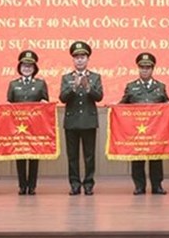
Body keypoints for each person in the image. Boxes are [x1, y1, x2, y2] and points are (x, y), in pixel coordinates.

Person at [119, 52, 169, 195]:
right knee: (138, 157)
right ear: (138, 68)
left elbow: (166, 103)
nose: (144, 70)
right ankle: (139, 186)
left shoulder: (160, 86)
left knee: (156, 157)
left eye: (147, 67)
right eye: (142, 67)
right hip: (137, 131)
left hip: (156, 131)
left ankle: (157, 185)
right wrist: (115, 107)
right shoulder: (131, 87)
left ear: (153, 69)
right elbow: (123, 105)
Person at [59, 41, 103, 196]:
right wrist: (73, 87)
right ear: (73, 59)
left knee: (89, 156)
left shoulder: (95, 77)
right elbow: (63, 98)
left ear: (87, 59)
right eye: (76, 57)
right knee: (72, 156)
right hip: (71, 122)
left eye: (82, 57)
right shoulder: (66, 78)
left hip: (88, 121)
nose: (79, 60)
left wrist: (88, 87)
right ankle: (75, 184)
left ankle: (89, 184)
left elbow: (99, 97)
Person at [6, 50, 49, 195]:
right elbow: (9, 104)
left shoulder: (40, 84)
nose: (27, 68)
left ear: (34, 68)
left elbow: (46, 104)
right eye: (24, 65)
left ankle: (32, 186)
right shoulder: (13, 84)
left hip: (35, 127)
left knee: (33, 156)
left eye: (30, 66)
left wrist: (44, 103)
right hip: (19, 127)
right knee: (20, 155)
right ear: (20, 67)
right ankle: (22, 185)